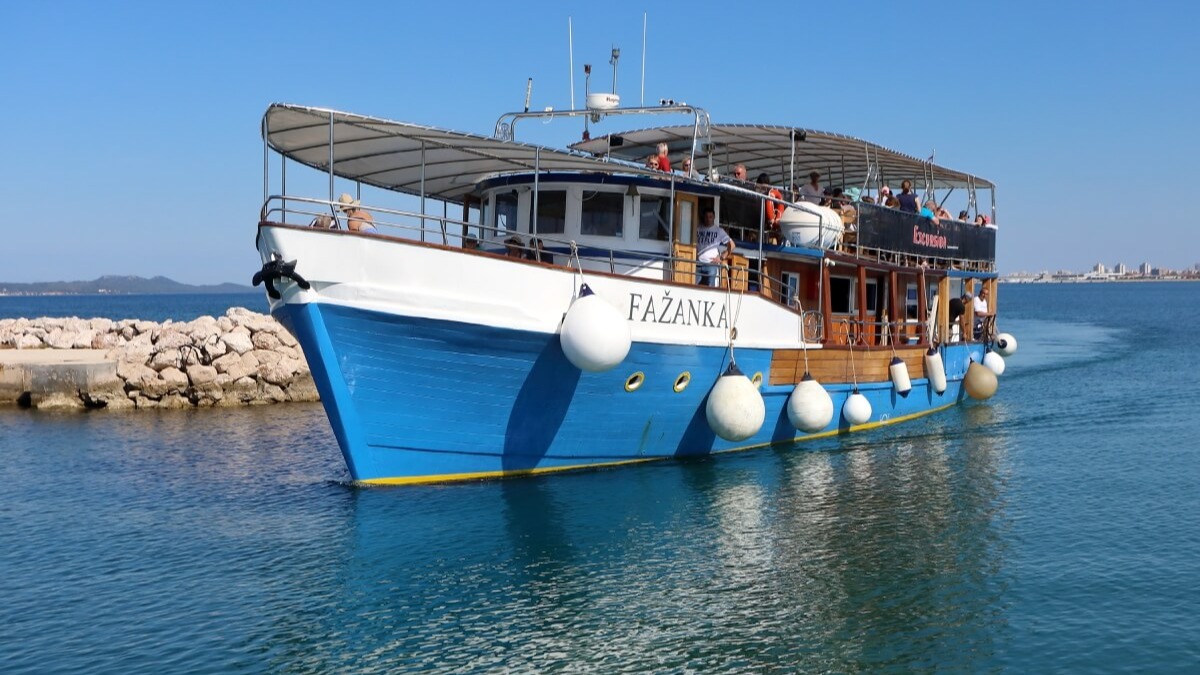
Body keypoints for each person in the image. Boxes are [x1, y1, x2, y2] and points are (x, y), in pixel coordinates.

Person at [695, 208, 734, 287]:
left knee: (710, 289)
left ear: (714, 217)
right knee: (694, 287)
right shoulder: (697, 229)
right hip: (697, 264)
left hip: (711, 265)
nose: (708, 219)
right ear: (704, 217)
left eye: (710, 217)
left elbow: (732, 245)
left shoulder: (719, 231)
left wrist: (721, 258)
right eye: (706, 217)